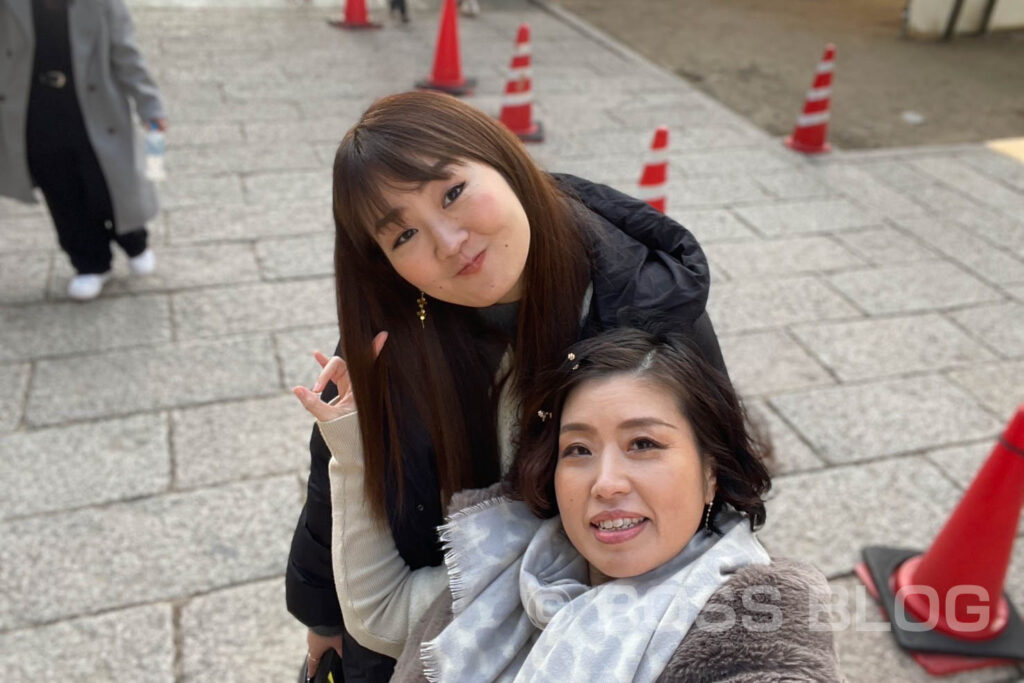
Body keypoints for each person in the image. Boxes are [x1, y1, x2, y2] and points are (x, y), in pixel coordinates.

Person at [289, 90, 728, 680]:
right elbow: (340, 472)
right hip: (434, 628)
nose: (449, 242)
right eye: (403, 236)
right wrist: (322, 618)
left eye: (452, 193)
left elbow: (713, 471)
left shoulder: (645, 302)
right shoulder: (390, 335)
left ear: (503, 159)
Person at [386, 328, 841, 681]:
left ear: (710, 473)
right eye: (578, 450)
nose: (604, 483)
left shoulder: (762, 616)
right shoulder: (503, 570)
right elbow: (382, 613)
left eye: (643, 444)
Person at [0, 0, 166, 301]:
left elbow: (127, 55)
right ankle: (90, 263)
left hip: (95, 110)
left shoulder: (103, 4)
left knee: (109, 184)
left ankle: (133, 241)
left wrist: (149, 104)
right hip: (34, 112)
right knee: (61, 192)